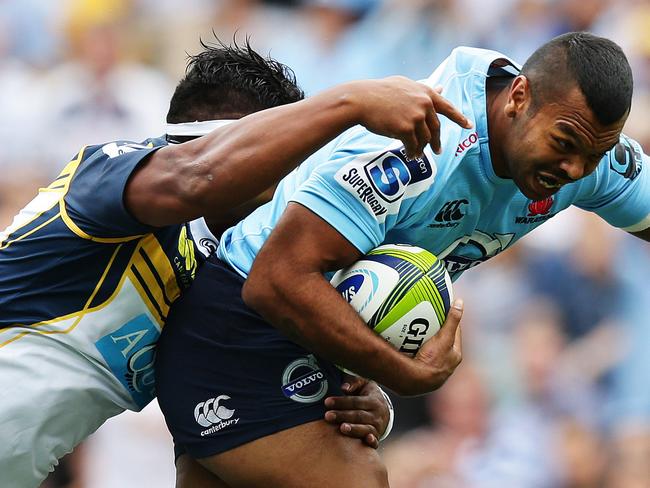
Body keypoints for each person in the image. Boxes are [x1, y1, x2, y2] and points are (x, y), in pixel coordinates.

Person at [155, 31, 649, 487]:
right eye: (565, 146)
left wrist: (368, 376)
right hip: (233, 329)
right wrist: (402, 374)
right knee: (361, 479)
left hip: (312, 344)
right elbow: (274, 280)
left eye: (594, 155)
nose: (575, 169)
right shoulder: (417, 144)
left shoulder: (586, 148)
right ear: (518, 97)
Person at [0, 39, 472, 487]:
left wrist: (368, 400)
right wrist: (351, 102)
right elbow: (197, 176)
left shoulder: (229, 279)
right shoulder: (108, 172)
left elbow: (216, 417)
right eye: (290, 163)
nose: (300, 186)